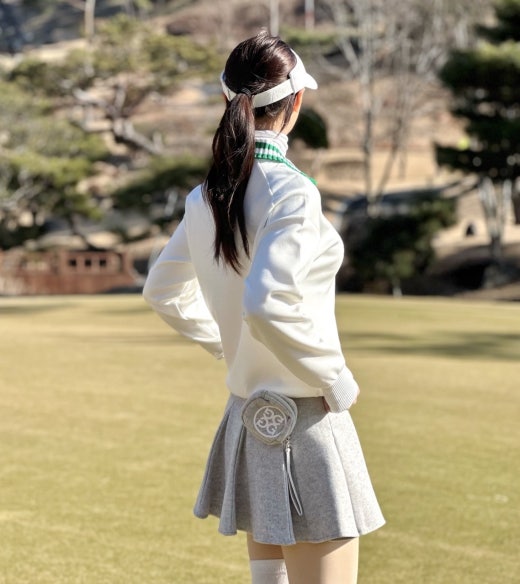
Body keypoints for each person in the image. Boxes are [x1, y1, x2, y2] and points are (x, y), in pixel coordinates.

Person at [143, 31, 385, 584]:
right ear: (296, 102)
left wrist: (228, 344)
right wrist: (335, 376)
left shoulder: (206, 195)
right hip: (308, 419)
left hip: (250, 416)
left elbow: (162, 290)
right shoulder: (292, 192)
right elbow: (268, 302)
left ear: (227, 100)